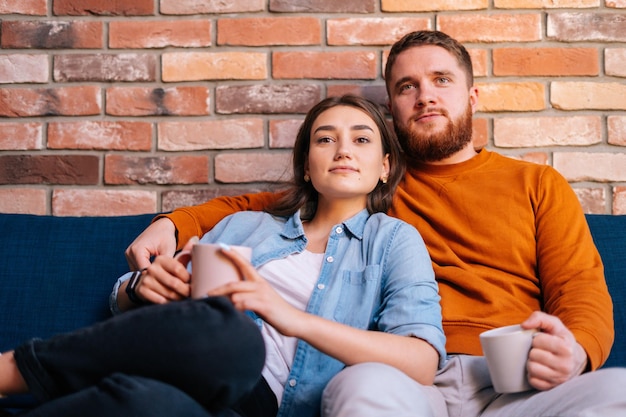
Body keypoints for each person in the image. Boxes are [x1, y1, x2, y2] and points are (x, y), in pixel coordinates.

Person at [125, 30, 626, 417]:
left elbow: (580, 290)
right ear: (392, 112)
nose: (425, 96)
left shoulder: (536, 183)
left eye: (441, 81)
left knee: (618, 391)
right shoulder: (368, 182)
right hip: (404, 377)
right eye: (407, 87)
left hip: (512, 378)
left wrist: (576, 354)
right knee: (360, 388)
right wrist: (172, 224)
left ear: (472, 98)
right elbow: (265, 207)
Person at [0, 95, 445, 417]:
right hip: (193, 374)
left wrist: (288, 317)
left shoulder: (393, 241)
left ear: (385, 167)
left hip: (262, 402)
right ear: (307, 166)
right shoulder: (248, 225)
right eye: (325, 139)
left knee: (223, 346)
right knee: (148, 397)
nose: (343, 149)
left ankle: (15, 370)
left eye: (361, 140)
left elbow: (421, 361)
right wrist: (144, 287)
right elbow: (123, 299)